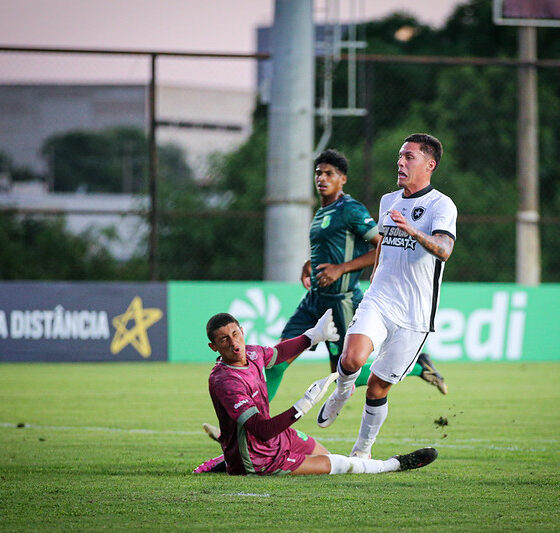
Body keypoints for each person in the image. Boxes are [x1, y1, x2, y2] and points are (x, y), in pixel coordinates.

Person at [316, 134, 457, 460]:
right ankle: (341, 391)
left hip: (416, 315)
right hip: (380, 300)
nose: (400, 162)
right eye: (400, 156)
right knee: (351, 359)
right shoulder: (388, 201)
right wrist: (373, 278)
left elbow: (445, 250)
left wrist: (412, 230)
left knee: (379, 387)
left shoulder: (441, 205)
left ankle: (362, 451)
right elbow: (382, 246)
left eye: (409, 157)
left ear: (429, 164)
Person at [265, 148, 447, 400]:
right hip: (314, 300)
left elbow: (380, 248)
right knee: (276, 361)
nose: (322, 178)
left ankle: (418, 367)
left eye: (330, 174)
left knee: (343, 374)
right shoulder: (321, 213)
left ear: (343, 179)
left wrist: (341, 268)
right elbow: (330, 249)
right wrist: (311, 263)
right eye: (318, 173)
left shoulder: (350, 209)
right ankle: (250, 426)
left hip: (341, 302)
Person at [194, 310, 438, 476]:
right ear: (213, 347)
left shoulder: (252, 353)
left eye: (235, 334)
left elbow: (278, 353)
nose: (234, 343)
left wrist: (312, 336)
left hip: (277, 438)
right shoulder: (226, 381)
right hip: (258, 459)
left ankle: (227, 454)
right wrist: (303, 405)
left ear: (242, 331)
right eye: (224, 340)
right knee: (338, 465)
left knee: (325, 455)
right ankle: (394, 464)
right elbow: (261, 429)